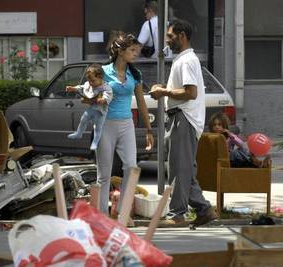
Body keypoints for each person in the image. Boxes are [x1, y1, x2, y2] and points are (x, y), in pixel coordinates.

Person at [150, 19, 217, 226]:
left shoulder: (187, 60)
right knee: (184, 169)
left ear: (182, 36)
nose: (168, 41)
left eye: (170, 36)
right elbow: (185, 90)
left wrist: (163, 91)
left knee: (179, 170)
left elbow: (190, 92)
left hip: (184, 118)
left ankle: (176, 214)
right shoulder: (184, 59)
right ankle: (204, 209)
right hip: (182, 118)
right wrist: (165, 88)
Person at [97, 31, 154, 215]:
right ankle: (102, 216)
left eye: (136, 50)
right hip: (105, 124)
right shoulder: (103, 72)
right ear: (121, 51)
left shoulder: (135, 74)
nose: (135, 53)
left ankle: (122, 213)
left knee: (131, 167)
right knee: (104, 174)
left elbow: (142, 101)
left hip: (126, 123)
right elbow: (89, 95)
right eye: (132, 50)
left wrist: (148, 129)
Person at [66, 63, 113, 150]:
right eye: (89, 81)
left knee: (98, 127)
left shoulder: (106, 87)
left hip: (101, 112)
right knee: (83, 119)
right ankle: (79, 133)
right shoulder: (89, 84)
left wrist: (103, 99)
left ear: (100, 77)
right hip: (92, 108)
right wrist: (73, 88)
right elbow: (81, 87)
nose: (91, 83)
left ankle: (95, 142)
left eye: (93, 81)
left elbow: (108, 95)